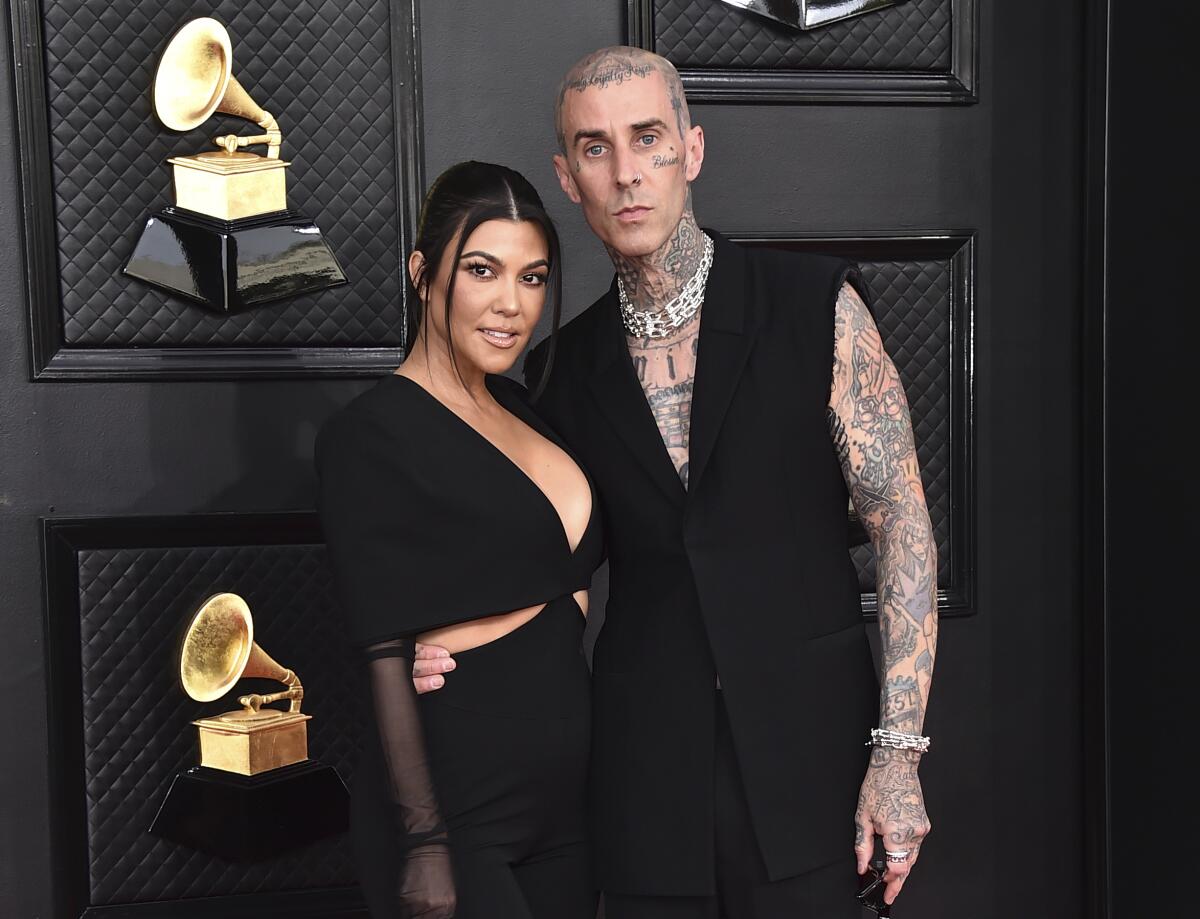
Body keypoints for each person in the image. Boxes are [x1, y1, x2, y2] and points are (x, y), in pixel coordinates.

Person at [413, 47, 938, 918]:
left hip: (814, 764)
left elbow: (903, 524)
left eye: (647, 138)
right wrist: (445, 645)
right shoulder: (556, 374)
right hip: (645, 777)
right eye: (594, 148)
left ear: (691, 150)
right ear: (567, 176)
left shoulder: (813, 307)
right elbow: (545, 575)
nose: (625, 173)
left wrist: (899, 754)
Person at [316, 161, 602, 919]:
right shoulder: (368, 436)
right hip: (458, 819)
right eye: (483, 270)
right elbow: (381, 650)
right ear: (422, 272)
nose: (513, 303)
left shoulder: (533, 410)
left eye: (534, 277)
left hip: (572, 815)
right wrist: (424, 842)